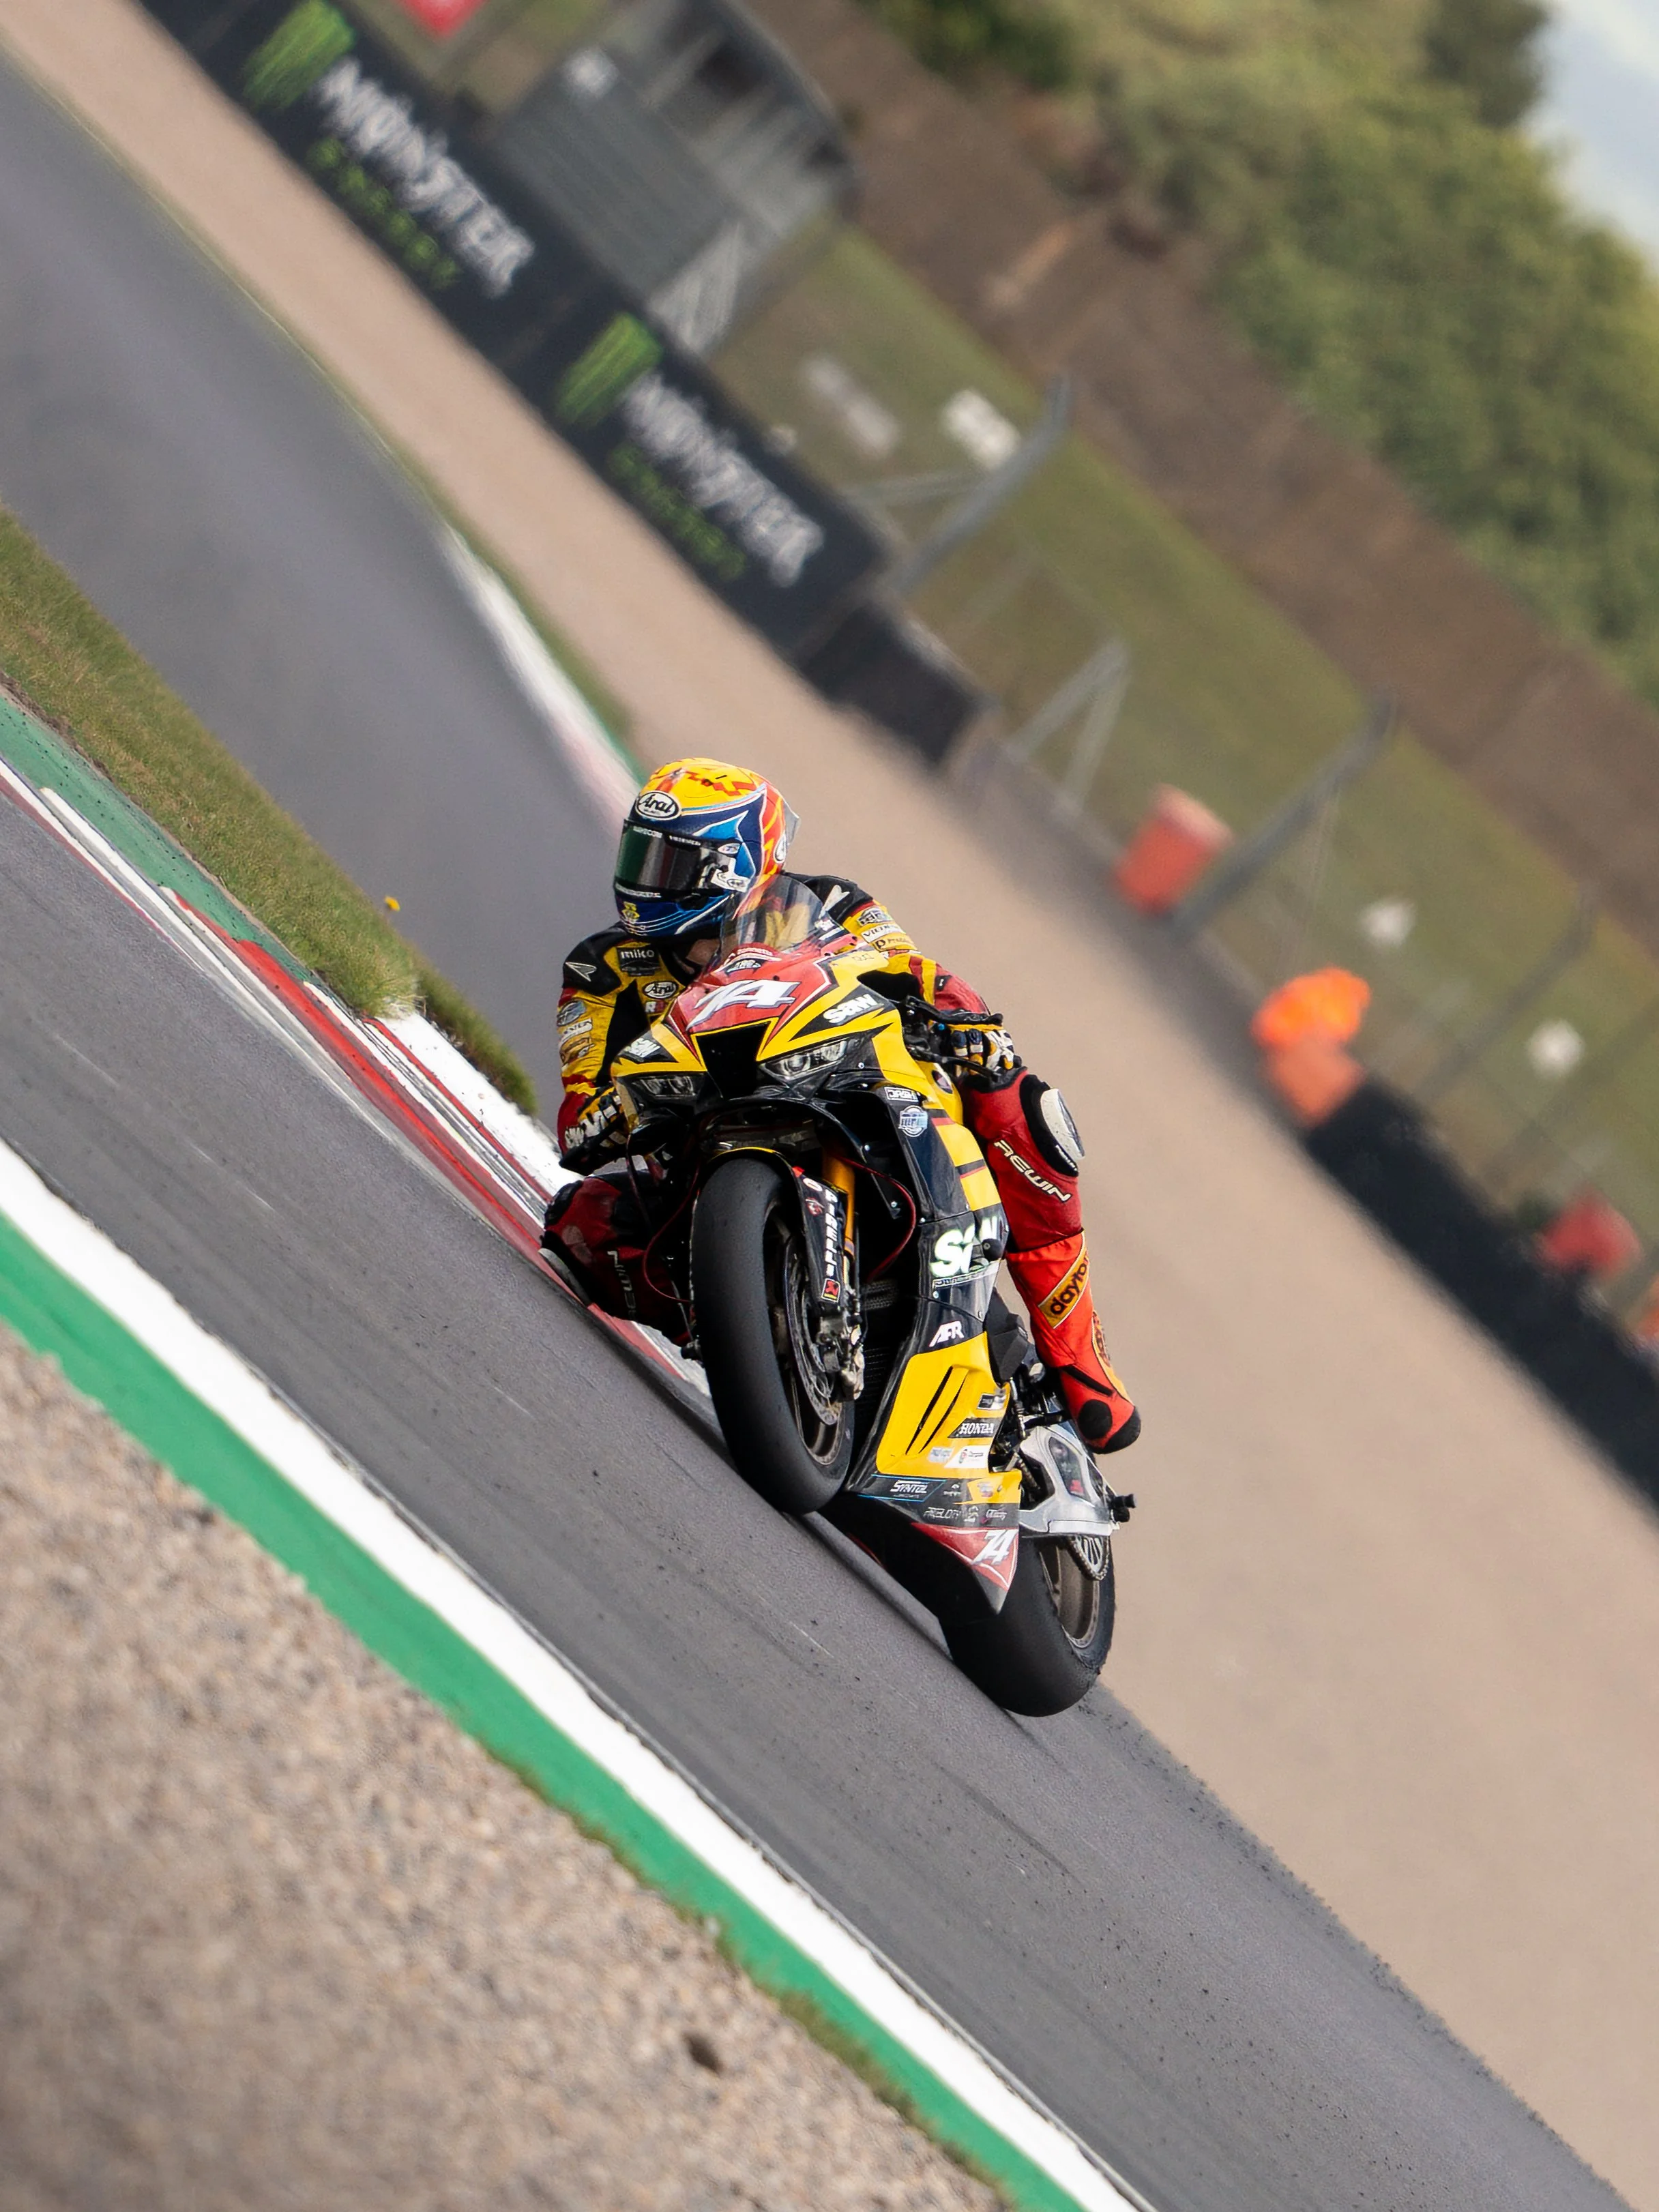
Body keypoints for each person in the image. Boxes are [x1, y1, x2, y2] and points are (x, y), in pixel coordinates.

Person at [543, 758, 1139, 1455]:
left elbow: (912, 971)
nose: (647, 878)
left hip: (855, 1095)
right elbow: (580, 1103)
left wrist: (968, 1022)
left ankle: (1080, 1362)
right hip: (700, 1150)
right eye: (641, 853)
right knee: (580, 1228)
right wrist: (604, 1118)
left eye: (671, 861)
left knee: (1022, 1104)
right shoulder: (600, 969)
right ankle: (753, 1334)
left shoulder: (829, 903)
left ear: (733, 867)